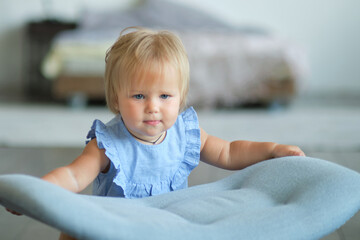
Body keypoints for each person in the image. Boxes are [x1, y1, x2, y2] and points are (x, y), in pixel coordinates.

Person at [7, 26, 305, 217]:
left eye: (165, 96)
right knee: (73, 227)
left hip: (169, 226)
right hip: (117, 229)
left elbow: (229, 152)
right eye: (138, 96)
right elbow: (72, 177)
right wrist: (34, 195)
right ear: (116, 99)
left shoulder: (185, 135)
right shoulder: (106, 146)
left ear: (181, 97)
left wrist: (273, 150)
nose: (153, 107)